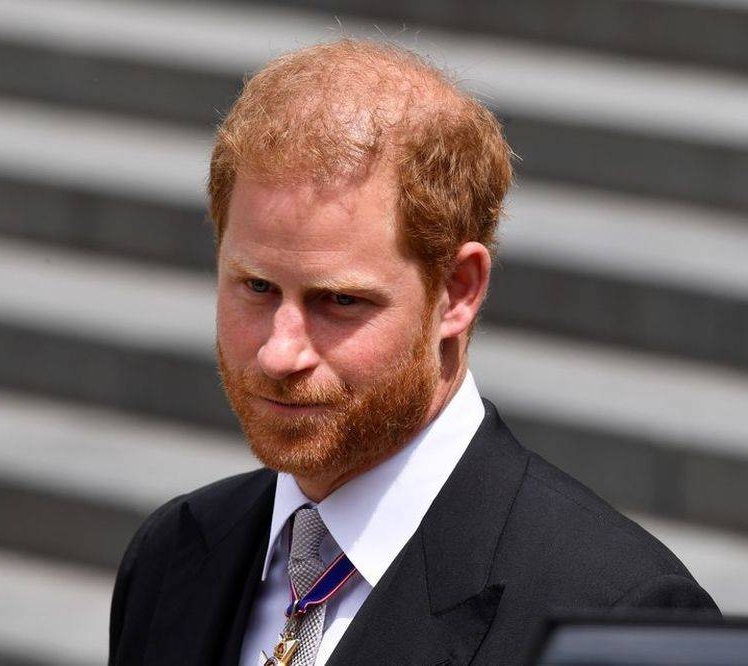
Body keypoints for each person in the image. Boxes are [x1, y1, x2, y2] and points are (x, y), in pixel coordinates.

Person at [108, 39, 718, 666]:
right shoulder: (172, 556)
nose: (279, 353)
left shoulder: (619, 615)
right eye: (256, 287)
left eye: (340, 301)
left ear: (457, 293)